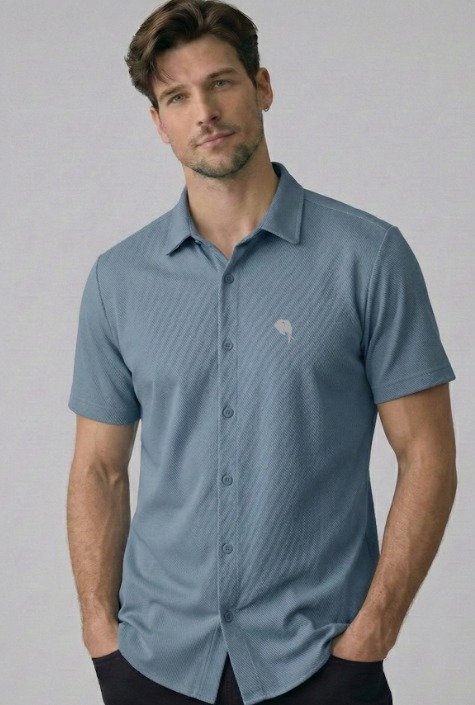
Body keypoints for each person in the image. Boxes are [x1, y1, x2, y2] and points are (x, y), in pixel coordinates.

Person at [66, 1, 458, 704]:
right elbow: (99, 469)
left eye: (220, 82)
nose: (204, 112)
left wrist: (370, 637)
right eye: (177, 97)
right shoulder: (118, 280)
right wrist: (102, 638)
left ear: (262, 86)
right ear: (158, 122)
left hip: (321, 662)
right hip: (156, 664)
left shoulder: (367, 257)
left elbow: (428, 455)